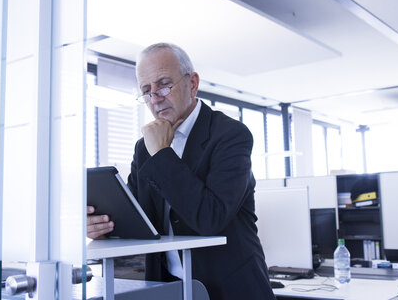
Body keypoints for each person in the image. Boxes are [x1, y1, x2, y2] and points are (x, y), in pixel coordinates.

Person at [87, 43, 275, 300]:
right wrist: (104, 226)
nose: (154, 98)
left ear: (193, 83)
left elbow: (211, 218)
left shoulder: (230, 135)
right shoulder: (144, 148)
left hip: (230, 288)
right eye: (146, 90)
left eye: (164, 84)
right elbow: (138, 217)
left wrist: (163, 153)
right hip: (169, 288)